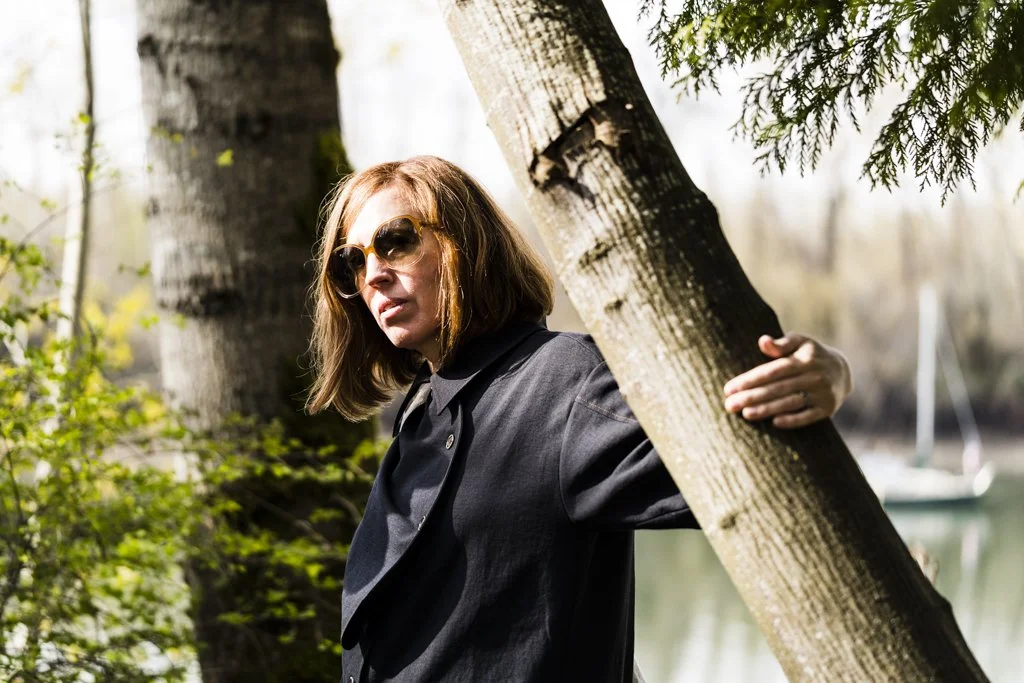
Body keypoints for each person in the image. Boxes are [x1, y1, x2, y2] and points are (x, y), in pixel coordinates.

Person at [305, 156, 853, 683]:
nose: (373, 274)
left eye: (395, 241)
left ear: (465, 242)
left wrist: (832, 375)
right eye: (353, 261)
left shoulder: (564, 381)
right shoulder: (422, 409)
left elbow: (753, 458)